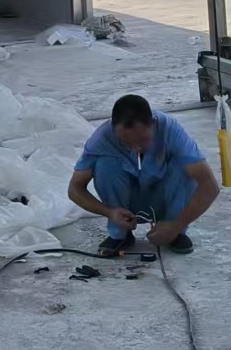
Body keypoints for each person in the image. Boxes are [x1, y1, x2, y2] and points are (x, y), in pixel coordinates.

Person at [67, 93, 220, 256]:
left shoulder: (170, 130)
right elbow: (74, 189)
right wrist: (109, 212)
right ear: (113, 129)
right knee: (105, 166)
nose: (136, 148)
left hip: (163, 198)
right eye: (125, 141)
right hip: (127, 206)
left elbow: (209, 186)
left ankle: (174, 232)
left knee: (187, 167)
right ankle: (120, 234)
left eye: (142, 139)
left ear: (153, 124)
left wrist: (176, 224)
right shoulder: (102, 138)